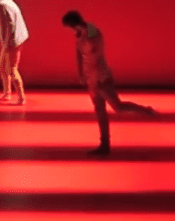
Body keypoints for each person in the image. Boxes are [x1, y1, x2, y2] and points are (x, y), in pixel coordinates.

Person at [61, 10, 157, 155]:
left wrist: (91, 77)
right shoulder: (82, 35)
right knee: (100, 111)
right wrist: (82, 73)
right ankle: (104, 144)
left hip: (101, 77)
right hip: (93, 78)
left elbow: (94, 54)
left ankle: (146, 110)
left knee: (117, 106)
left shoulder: (92, 33)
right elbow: (79, 53)